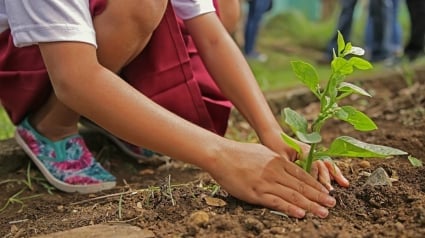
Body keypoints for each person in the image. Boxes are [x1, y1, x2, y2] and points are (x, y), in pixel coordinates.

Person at [0, 0, 349, 219]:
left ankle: (107, 111)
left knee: (216, 7)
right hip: (31, 57)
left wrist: (271, 132)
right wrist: (222, 155)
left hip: (88, 46)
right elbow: (75, 78)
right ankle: (52, 126)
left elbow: (212, 37)